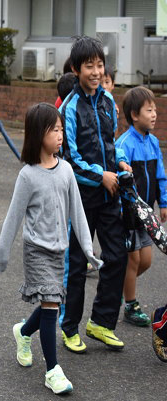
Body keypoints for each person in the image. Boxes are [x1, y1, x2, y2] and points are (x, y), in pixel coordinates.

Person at [0, 103, 102, 395]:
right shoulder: (27, 175)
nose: (60, 135)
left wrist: (89, 250)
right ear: (39, 133)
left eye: (61, 129)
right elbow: (13, 217)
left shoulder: (66, 170)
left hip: (58, 251)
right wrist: (1, 256)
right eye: (54, 130)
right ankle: (53, 370)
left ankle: (23, 331)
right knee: (52, 304)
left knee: (51, 303)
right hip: (36, 251)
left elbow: (78, 212)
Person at [59, 36, 131, 354]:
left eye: (100, 65)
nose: (97, 71)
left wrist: (120, 163)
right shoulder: (69, 108)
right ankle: (69, 327)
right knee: (77, 263)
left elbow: (110, 144)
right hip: (82, 196)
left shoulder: (107, 101)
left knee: (117, 256)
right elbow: (71, 159)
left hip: (110, 192)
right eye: (90, 66)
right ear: (76, 69)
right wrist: (100, 175)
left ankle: (101, 323)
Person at [115, 86, 167, 327]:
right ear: (135, 115)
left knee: (145, 260)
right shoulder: (124, 144)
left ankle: (117, 287)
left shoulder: (154, 142)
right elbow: (121, 179)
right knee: (133, 260)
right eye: (149, 110)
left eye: (155, 109)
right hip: (128, 213)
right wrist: (123, 207)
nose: (154, 114)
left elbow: (161, 176)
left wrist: (163, 203)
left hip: (147, 214)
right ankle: (131, 304)